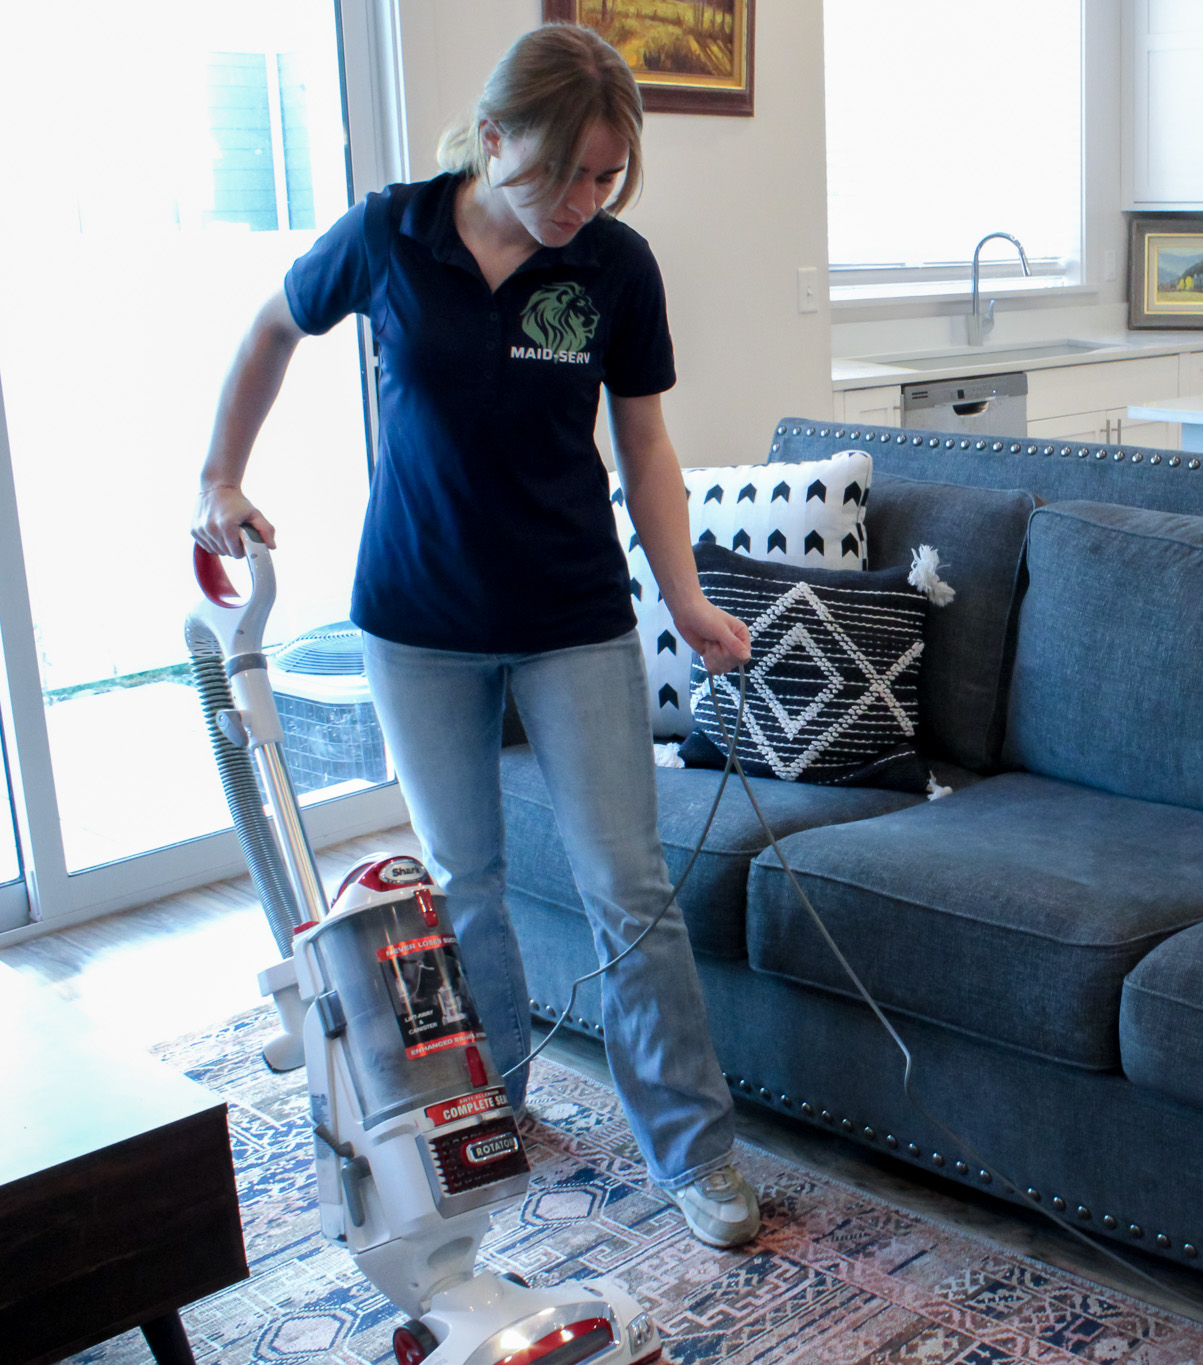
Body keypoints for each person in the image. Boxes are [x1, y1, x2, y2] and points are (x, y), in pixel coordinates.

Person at [191, 23, 762, 1249]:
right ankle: (487, 1111)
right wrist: (217, 478)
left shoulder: (614, 266)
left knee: (630, 888)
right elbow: (269, 333)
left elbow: (644, 444)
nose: (579, 201)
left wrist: (688, 597)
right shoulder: (388, 235)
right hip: (419, 621)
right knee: (466, 887)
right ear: (494, 137)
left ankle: (694, 1154)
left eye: (604, 176)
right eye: (559, 173)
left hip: (571, 618)